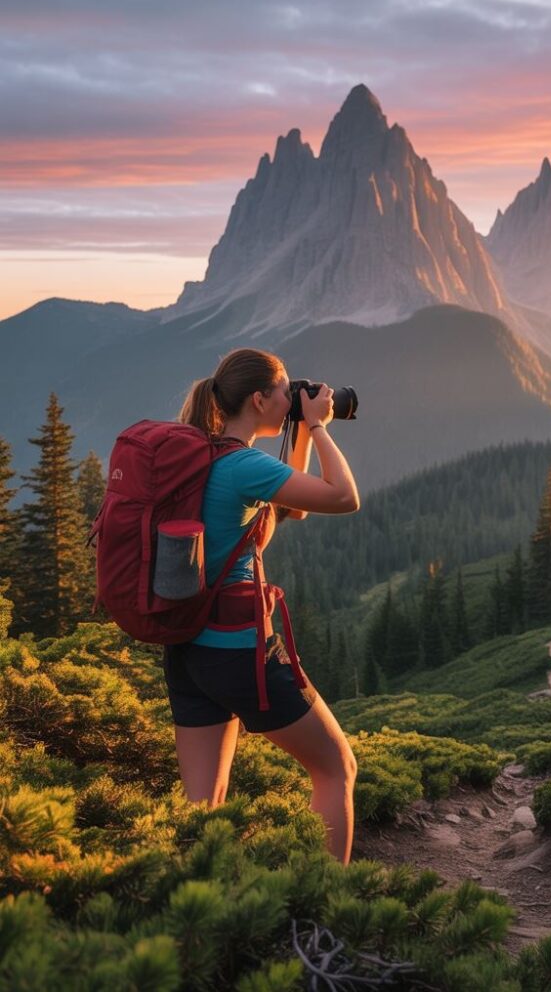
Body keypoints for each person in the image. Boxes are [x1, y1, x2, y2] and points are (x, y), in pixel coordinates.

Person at [165, 347, 360, 863]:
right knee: (336, 768)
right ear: (258, 398)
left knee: (203, 808)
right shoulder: (244, 465)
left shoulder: (207, 456)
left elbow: (283, 512)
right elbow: (343, 497)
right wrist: (318, 427)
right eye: (283, 390)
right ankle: (326, 906)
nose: (290, 396)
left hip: (188, 649)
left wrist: (294, 426)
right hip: (239, 651)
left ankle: (199, 919)